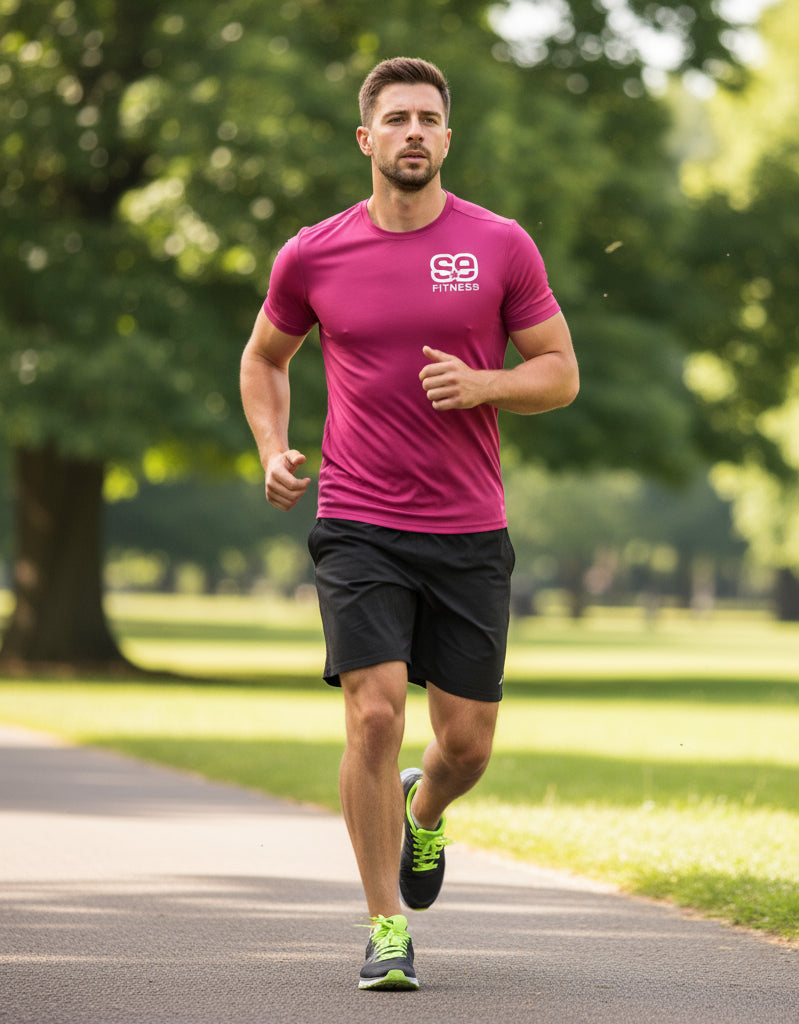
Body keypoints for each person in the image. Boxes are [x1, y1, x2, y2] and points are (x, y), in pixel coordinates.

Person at [239, 57, 579, 991]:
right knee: (375, 712)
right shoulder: (313, 253)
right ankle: (385, 927)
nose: (414, 132)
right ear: (367, 138)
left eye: (429, 118)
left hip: (469, 527)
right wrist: (271, 449)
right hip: (358, 520)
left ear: (448, 138)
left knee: (466, 745)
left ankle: (423, 813)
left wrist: (487, 384)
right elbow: (265, 357)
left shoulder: (500, 244)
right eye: (397, 119)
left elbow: (559, 371)